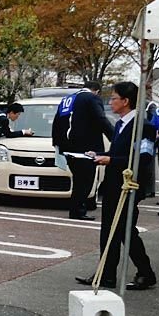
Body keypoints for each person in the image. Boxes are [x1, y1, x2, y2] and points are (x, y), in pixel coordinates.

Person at [75, 81, 156, 290]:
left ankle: (146, 273)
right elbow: (120, 152)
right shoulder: (121, 123)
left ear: (126, 101)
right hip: (113, 185)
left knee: (125, 230)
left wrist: (111, 161)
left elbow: (144, 157)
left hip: (129, 186)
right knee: (108, 230)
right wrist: (101, 155)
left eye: (114, 98)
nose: (110, 102)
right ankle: (106, 273)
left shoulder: (143, 125)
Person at [52, 81, 113, 221]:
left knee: (78, 180)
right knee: (85, 181)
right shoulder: (91, 98)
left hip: (68, 147)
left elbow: (57, 122)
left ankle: (75, 209)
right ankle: (78, 210)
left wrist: (58, 144)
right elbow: (100, 119)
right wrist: (115, 137)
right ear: (96, 91)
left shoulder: (67, 99)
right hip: (85, 148)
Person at [0, 102, 35, 201]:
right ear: (12, 112)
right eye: (18, 114)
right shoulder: (4, 120)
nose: (17, 117)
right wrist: (24, 132)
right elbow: (9, 134)